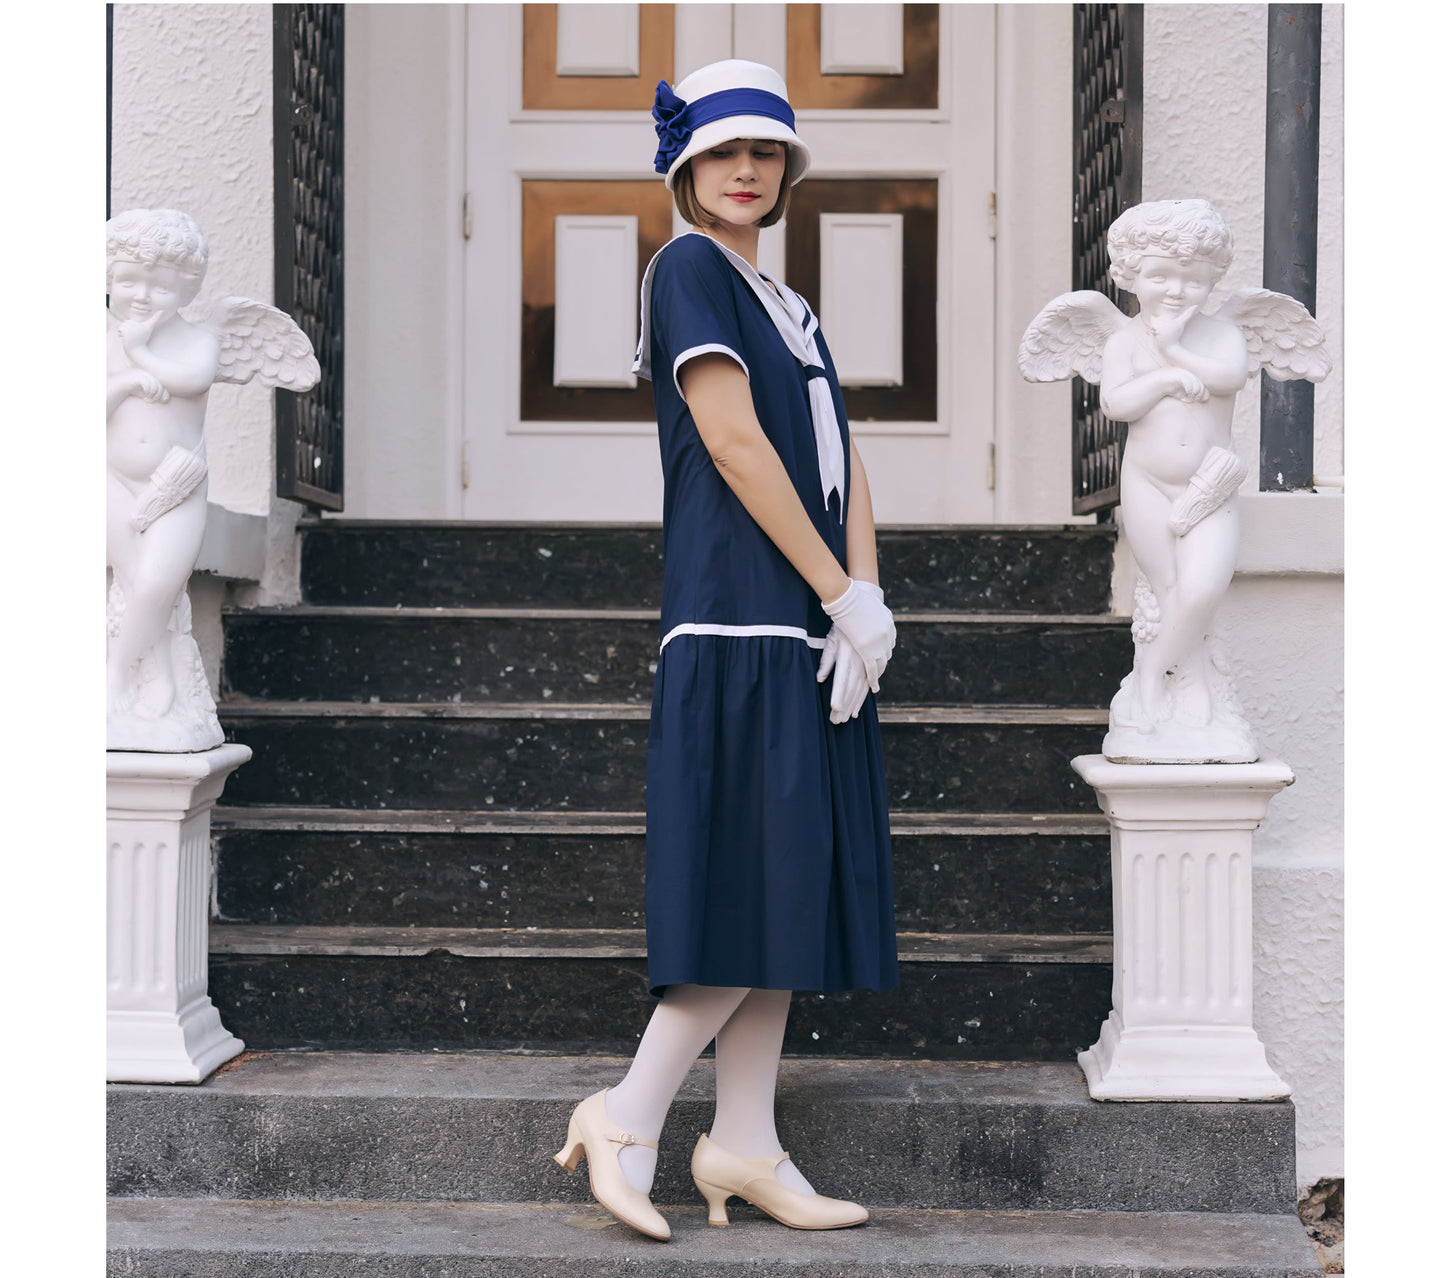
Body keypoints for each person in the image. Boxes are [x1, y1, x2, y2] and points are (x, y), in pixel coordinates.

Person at [552, 60, 898, 1241]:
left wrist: (865, 595)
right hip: (737, 621)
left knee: (785, 883)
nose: (746, 172)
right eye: (722, 154)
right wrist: (832, 592)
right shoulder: (688, 269)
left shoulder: (789, 304)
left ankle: (743, 1142)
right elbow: (734, 442)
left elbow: (842, 456)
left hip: (804, 620)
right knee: (748, 882)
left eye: (766, 155)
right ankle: (629, 1111)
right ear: (685, 169)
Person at [1096, 199, 1249, 732]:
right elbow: (1115, 404)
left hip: (1211, 488)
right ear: (1130, 275)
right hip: (1146, 482)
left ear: (1213, 279)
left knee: (1203, 588)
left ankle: (1150, 676)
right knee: (1168, 591)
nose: (1177, 290)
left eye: (1193, 278)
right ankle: (1189, 679)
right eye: (1161, 276)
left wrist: (1176, 349)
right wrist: (1162, 376)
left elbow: (1230, 378)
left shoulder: (1223, 337)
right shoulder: (1123, 341)